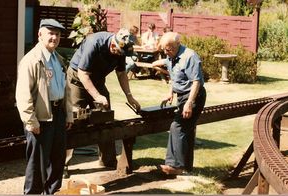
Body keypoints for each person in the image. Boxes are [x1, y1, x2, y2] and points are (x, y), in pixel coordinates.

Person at [66, 28, 141, 170]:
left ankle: (108, 161)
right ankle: (62, 165)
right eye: (119, 52)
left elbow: (121, 74)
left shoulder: (122, 49)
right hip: (77, 79)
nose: (120, 55)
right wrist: (97, 96)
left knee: (105, 118)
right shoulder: (94, 43)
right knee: (72, 120)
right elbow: (83, 74)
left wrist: (129, 97)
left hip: (97, 80)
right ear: (113, 45)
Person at [15, 18, 73, 194]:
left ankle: (52, 192)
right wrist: (30, 121)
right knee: (37, 164)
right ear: (40, 34)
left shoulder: (58, 59)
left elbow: (66, 90)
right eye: (50, 33)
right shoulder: (31, 60)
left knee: (58, 161)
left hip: (58, 115)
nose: (54, 37)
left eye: (57, 34)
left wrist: (68, 114)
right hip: (40, 118)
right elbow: (23, 94)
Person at [158, 32, 206, 175]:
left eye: (169, 49)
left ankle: (175, 166)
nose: (166, 52)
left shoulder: (190, 56)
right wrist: (170, 92)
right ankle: (186, 167)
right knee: (187, 130)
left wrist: (189, 103)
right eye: (165, 49)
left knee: (177, 126)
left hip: (194, 96)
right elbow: (174, 77)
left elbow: (196, 82)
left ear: (178, 44)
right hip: (182, 96)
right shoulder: (171, 55)